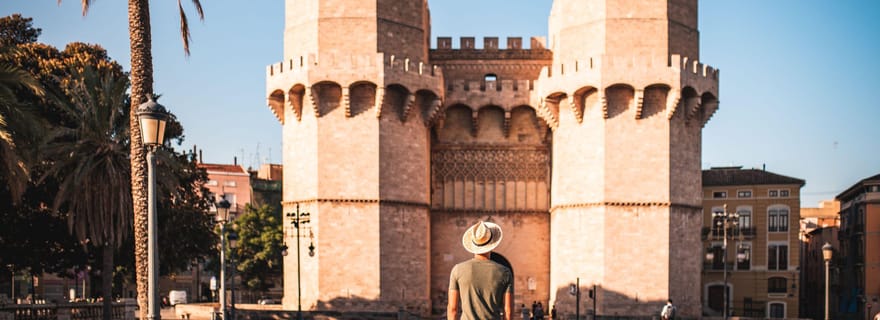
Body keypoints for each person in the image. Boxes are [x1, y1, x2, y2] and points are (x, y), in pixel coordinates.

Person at [447, 221, 513, 320]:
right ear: (492, 244)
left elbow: (453, 309)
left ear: (473, 244)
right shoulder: (505, 272)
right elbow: (508, 310)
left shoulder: (457, 270)